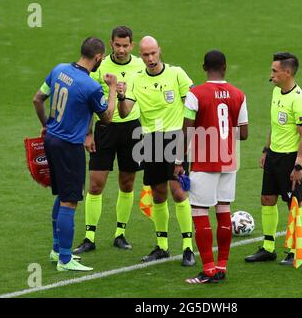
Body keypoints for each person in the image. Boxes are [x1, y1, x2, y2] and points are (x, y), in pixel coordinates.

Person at [32, 37, 117, 271]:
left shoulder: (59, 70)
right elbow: (108, 117)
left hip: (51, 140)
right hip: (69, 147)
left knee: (61, 194)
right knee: (70, 200)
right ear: (98, 57)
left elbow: (37, 99)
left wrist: (46, 124)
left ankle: (57, 250)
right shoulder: (91, 86)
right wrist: (111, 89)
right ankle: (65, 259)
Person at [116, 36, 196, 266]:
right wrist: (121, 96)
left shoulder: (177, 74)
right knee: (158, 194)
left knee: (179, 192)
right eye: (145, 55)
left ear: (159, 51)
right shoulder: (135, 79)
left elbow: (192, 107)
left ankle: (188, 247)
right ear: (140, 56)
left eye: (153, 53)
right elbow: (124, 112)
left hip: (174, 138)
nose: (150, 59)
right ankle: (162, 246)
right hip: (150, 140)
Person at [73, 26, 149, 254]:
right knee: (96, 183)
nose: (121, 50)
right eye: (117, 45)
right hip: (104, 129)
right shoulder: (100, 66)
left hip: (132, 129)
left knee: (127, 183)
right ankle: (89, 237)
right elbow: (87, 101)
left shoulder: (140, 66)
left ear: (132, 46)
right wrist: (87, 133)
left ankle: (120, 233)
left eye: (126, 46)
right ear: (111, 43)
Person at [176, 50, 248, 283]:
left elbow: (186, 131)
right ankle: (222, 267)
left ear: (203, 67)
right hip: (228, 160)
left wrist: (178, 162)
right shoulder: (239, 95)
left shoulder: (195, 94)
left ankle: (208, 270)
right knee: (224, 210)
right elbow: (244, 133)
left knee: (199, 212)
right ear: (225, 67)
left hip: (204, 161)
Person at [245, 52, 302, 266]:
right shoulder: (276, 93)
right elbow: (275, 126)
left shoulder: (299, 100)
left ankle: (294, 249)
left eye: (274, 71)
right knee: (267, 199)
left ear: (287, 72)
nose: (271, 74)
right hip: (274, 155)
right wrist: (266, 150)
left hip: (291, 159)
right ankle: (268, 247)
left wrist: (298, 166)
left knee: (294, 203)